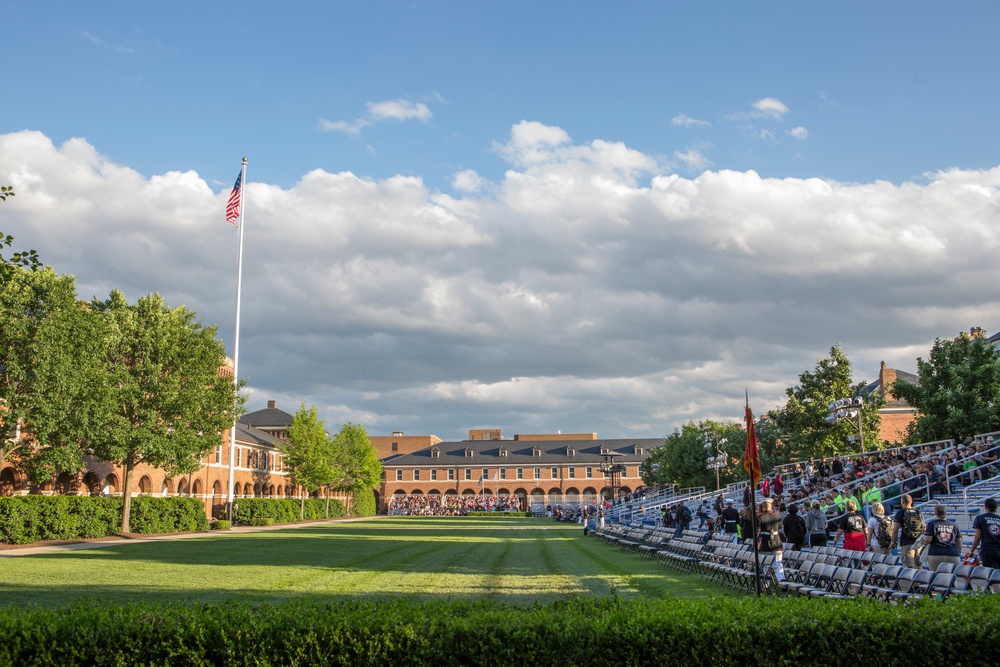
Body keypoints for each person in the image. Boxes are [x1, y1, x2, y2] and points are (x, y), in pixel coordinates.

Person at [923, 504, 961, 572]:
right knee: (951, 577)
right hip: (952, 553)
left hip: (936, 553)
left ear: (935, 512)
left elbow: (928, 539)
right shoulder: (954, 524)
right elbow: (959, 541)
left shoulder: (932, 524)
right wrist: (959, 552)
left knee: (936, 577)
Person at [891, 494, 925, 569]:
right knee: (918, 565)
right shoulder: (917, 512)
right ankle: (919, 580)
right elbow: (924, 527)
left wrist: (893, 542)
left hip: (907, 542)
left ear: (902, 502)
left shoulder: (900, 513)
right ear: (911, 501)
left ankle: (911, 581)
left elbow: (895, 529)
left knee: (908, 566)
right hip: (918, 541)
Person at [757, 498, 786, 581]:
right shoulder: (777, 515)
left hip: (765, 542)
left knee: (765, 564)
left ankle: (766, 582)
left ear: (762, 507)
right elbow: (779, 526)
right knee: (778, 563)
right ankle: (781, 579)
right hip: (776, 541)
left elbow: (757, 531)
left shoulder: (759, 516)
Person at [968, 497, 1000, 569]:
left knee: (990, 574)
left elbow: (977, 537)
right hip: (998, 548)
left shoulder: (980, 518)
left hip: (988, 549)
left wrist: (972, 550)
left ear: (985, 507)